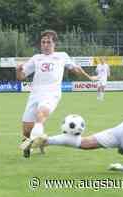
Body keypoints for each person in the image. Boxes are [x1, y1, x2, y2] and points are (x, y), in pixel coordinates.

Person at [17, 30, 95, 158]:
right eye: (43, 42)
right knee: (26, 130)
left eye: (49, 42)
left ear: (54, 44)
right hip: (35, 95)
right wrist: (19, 70)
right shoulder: (36, 58)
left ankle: (36, 141)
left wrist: (86, 75)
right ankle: (36, 142)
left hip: (52, 94)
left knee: (40, 114)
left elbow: (75, 69)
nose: (46, 44)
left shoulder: (62, 56)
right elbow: (21, 77)